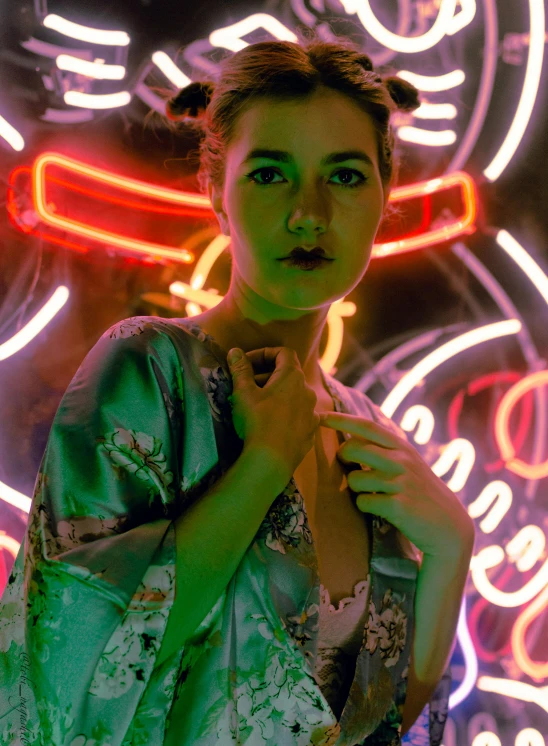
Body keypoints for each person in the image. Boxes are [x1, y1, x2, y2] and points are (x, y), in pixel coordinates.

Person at [0, 32, 472, 746]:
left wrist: (451, 548)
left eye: (344, 176)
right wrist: (261, 466)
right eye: (270, 174)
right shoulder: (149, 369)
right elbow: (65, 672)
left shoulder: (368, 434)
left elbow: (371, 723)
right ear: (216, 194)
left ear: (385, 198)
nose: (309, 212)